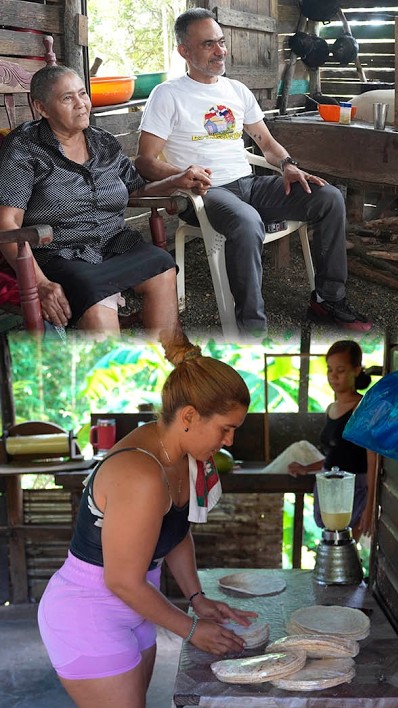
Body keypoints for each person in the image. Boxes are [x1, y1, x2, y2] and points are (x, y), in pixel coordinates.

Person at [37, 332, 255, 708]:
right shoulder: (140, 473)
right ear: (189, 416)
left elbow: (176, 533)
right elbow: (120, 580)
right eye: (225, 428)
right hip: (89, 611)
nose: (230, 440)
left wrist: (196, 599)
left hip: (138, 605)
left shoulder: (186, 456)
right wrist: (190, 629)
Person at [135, 8, 370, 334]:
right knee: (247, 222)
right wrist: (180, 174)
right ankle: (251, 329)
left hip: (249, 183)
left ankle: (328, 300)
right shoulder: (168, 95)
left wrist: (288, 166)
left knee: (328, 197)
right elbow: (144, 161)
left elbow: (267, 143)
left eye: (221, 42)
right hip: (206, 192)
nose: (220, 51)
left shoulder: (236, 90)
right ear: (184, 51)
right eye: (208, 45)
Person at [0, 66, 209, 333]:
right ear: (42, 108)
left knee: (161, 266)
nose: (81, 105)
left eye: (82, 94)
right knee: (95, 296)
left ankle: (168, 361)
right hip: (59, 252)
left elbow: (135, 190)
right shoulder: (25, 148)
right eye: (67, 98)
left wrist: (177, 180)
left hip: (114, 242)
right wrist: (41, 284)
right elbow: (8, 223)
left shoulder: (104, 143)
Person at [288, 340, 377, 538]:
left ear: (356, 370)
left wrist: (370, 505)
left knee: (345, 551)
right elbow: (336, 455)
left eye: (340, 370)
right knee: (330, 549)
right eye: (329, 370)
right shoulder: (331, 408)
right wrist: (307, 468)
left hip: (353, 490)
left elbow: (373, 460)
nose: (333, 376)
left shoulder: (363, 409)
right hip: (329, 488)